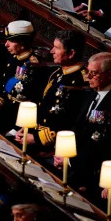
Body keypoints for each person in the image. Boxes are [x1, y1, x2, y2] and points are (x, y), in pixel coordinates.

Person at [15, 30, 87, 158]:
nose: (51, 51)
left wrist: (37, 138)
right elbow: (43, 105)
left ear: (71, 53)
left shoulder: (81, 83)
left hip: (51, 146)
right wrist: (27, 128)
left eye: (57, 48)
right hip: (35, 134)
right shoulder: (58, 72)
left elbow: (70, 122)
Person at [60, 52, 111, 203]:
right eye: (88, 71)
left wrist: (69, 161)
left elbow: (101, 146)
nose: (87, 76)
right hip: (74, 165)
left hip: (94, 177)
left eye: (93, 73)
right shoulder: (90, 94)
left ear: (109, 74)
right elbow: (77, 129)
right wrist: (63, 153)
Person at [0, 20, 45, 134]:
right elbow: (4, 92)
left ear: (22, 43)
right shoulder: (13, 58)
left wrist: (16, 129)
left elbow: (33, 101)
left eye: (11, 41)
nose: (6, 44)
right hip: (3, 111)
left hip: (17, 119)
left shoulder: (35, 66)